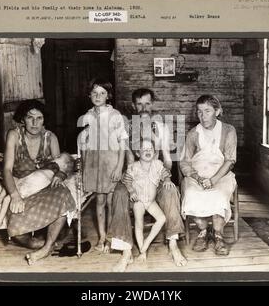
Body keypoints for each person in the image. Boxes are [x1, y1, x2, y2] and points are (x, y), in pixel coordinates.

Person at [107, 88, 187, 272]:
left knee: (170, 191)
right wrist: (131, 182)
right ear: (134, 106)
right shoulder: (127, 128)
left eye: (147, 103)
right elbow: (127, 159)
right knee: (119, 193)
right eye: (140, 104)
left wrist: (165, 177)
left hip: (157, 175)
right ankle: (126, 252)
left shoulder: (161, 127)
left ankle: (173, 245)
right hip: (133, 176)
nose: (144, 108)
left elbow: (167, 158)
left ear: (153, 104)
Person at [3, 99, 75, 265]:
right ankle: (44, 243)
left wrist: (61, 175)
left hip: (45, 185)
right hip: (23, 186)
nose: (35, 123)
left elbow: (61, 165)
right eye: (30, 117)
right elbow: (6, 169)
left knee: (64, 195)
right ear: (22, 119)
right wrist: (14, 195)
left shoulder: (51, 138)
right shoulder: (14, 135)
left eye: (39, 118)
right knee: (17, 232)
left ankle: (46, 247)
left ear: (44, 120)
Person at [179, 95, 237, 255]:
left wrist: (213, 180)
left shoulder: (228, 130)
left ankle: (218, 235)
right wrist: (197, 178)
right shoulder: (193, 133)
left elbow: (230, 159)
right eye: (199, 112)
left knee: (218, 194)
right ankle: (203, 232)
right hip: (198, 175)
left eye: (207, 111)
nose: (202, 116)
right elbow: (184, 162)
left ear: (217, 111)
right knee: (191, 193)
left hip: (221, 174)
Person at [78, 78, 127, 252]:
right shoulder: (88, 115)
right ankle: (102, 237)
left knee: (110, 201)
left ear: (108, 96)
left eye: (102, 93)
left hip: (111, 163)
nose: (98, 96)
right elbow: (85, 143)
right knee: (99, 200)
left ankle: (112, 239)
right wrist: (85, 167)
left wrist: (119, 166)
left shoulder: (115, 116)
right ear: (89, 95)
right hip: (95, 163)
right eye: (94, 93)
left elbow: (122, 143)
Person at [0, 152, 74, 231]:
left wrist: (60, 175)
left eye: (59, 157)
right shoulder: (52, 165)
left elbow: (62, 175)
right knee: (10, 179)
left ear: (65, 166)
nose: (56, 157)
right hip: (29, 179)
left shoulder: (57, 170)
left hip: (33, 184)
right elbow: (39, 166)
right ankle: (0, 197)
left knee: (8, 199)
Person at [123, 139, 174, 262]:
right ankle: (142, 251)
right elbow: (127, 181)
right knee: (139, 225)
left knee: (162, 218)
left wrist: (167, 180)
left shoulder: (157, 164)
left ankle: (146, 243)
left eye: (150, 149)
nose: (148, 151)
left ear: (155, 152)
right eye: (144, 149)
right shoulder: (134, 167)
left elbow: (166, 174)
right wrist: (132, 191)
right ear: (138, 153)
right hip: (139, 201)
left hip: (151, 202)